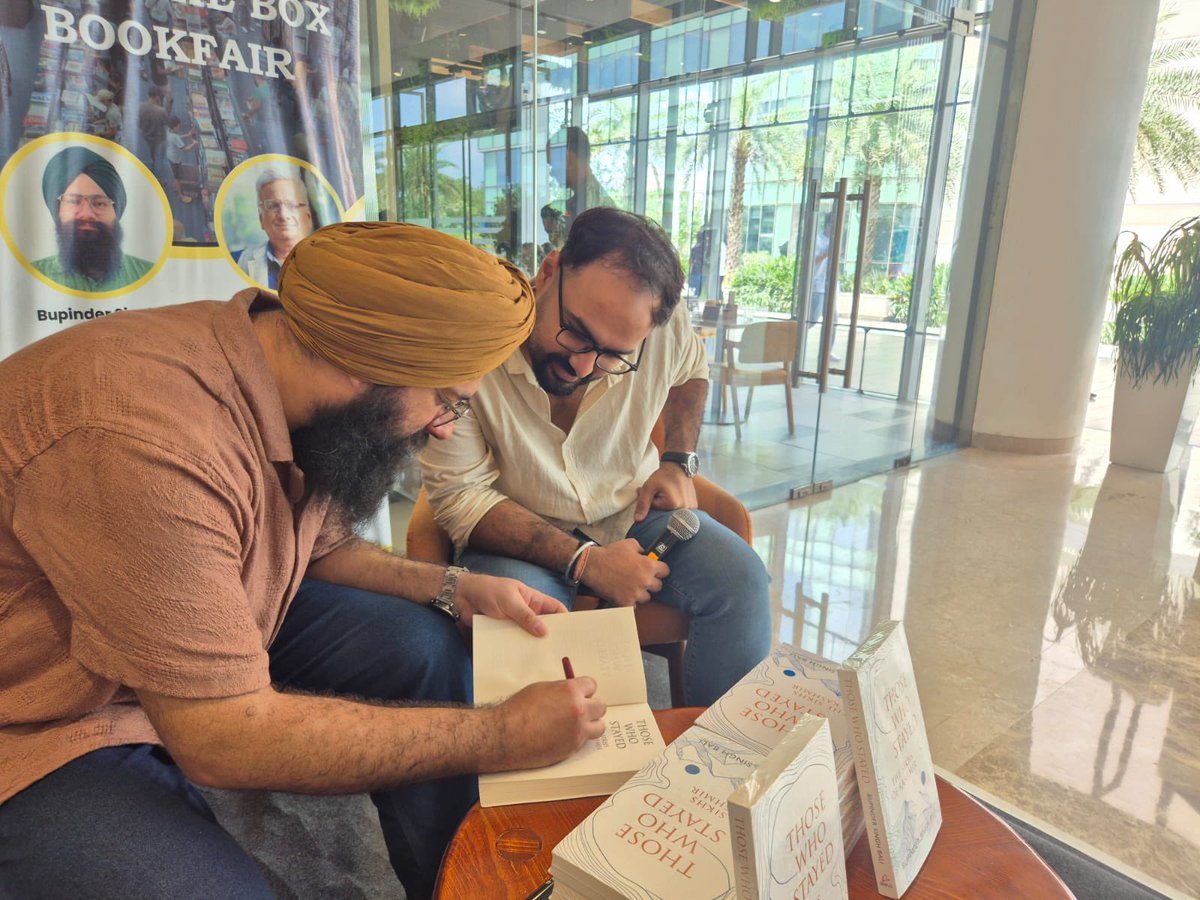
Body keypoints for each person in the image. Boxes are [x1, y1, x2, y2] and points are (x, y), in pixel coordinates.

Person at [0, 222, 607, 900]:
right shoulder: (145, 440)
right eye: (446, 401)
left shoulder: (287, 370)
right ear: (360, 362)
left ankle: (463, 881)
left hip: (177, 632)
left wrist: (452, 585)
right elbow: (223, 737)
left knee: (420, 645)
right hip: (38, 714)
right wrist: (501, 735)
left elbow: (321, 547)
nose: (443, 429)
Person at [421, 207, 772, 707]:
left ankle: (717, 747)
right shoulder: (471, 343)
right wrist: (586, 561)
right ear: (548, 273)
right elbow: (462, 498)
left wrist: (679, 459)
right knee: (520, 624)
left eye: (613, 355)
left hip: (634, 513)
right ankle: (540, 756)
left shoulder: (661, 326)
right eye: (576, 332)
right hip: (515, 530)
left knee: (743, 581)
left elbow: (692, 371)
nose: (583, 366)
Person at [32, 146, 154, 292]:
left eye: (100, 203)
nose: (87, 214)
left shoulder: (149, 275)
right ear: (57, 209)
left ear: (115, 212)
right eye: (74, 202)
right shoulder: (31, 276)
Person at [234, 167, 315, 289]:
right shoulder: (239, 261)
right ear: (261, 219)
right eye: (273, 206)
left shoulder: (330, 258)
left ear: (308, 217)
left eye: (292, 205)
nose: (283, 215)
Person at [545, 126, 615, 236]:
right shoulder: (586, 199)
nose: (552, 173)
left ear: (567, 158)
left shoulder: (591, 205)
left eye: (553, 164)